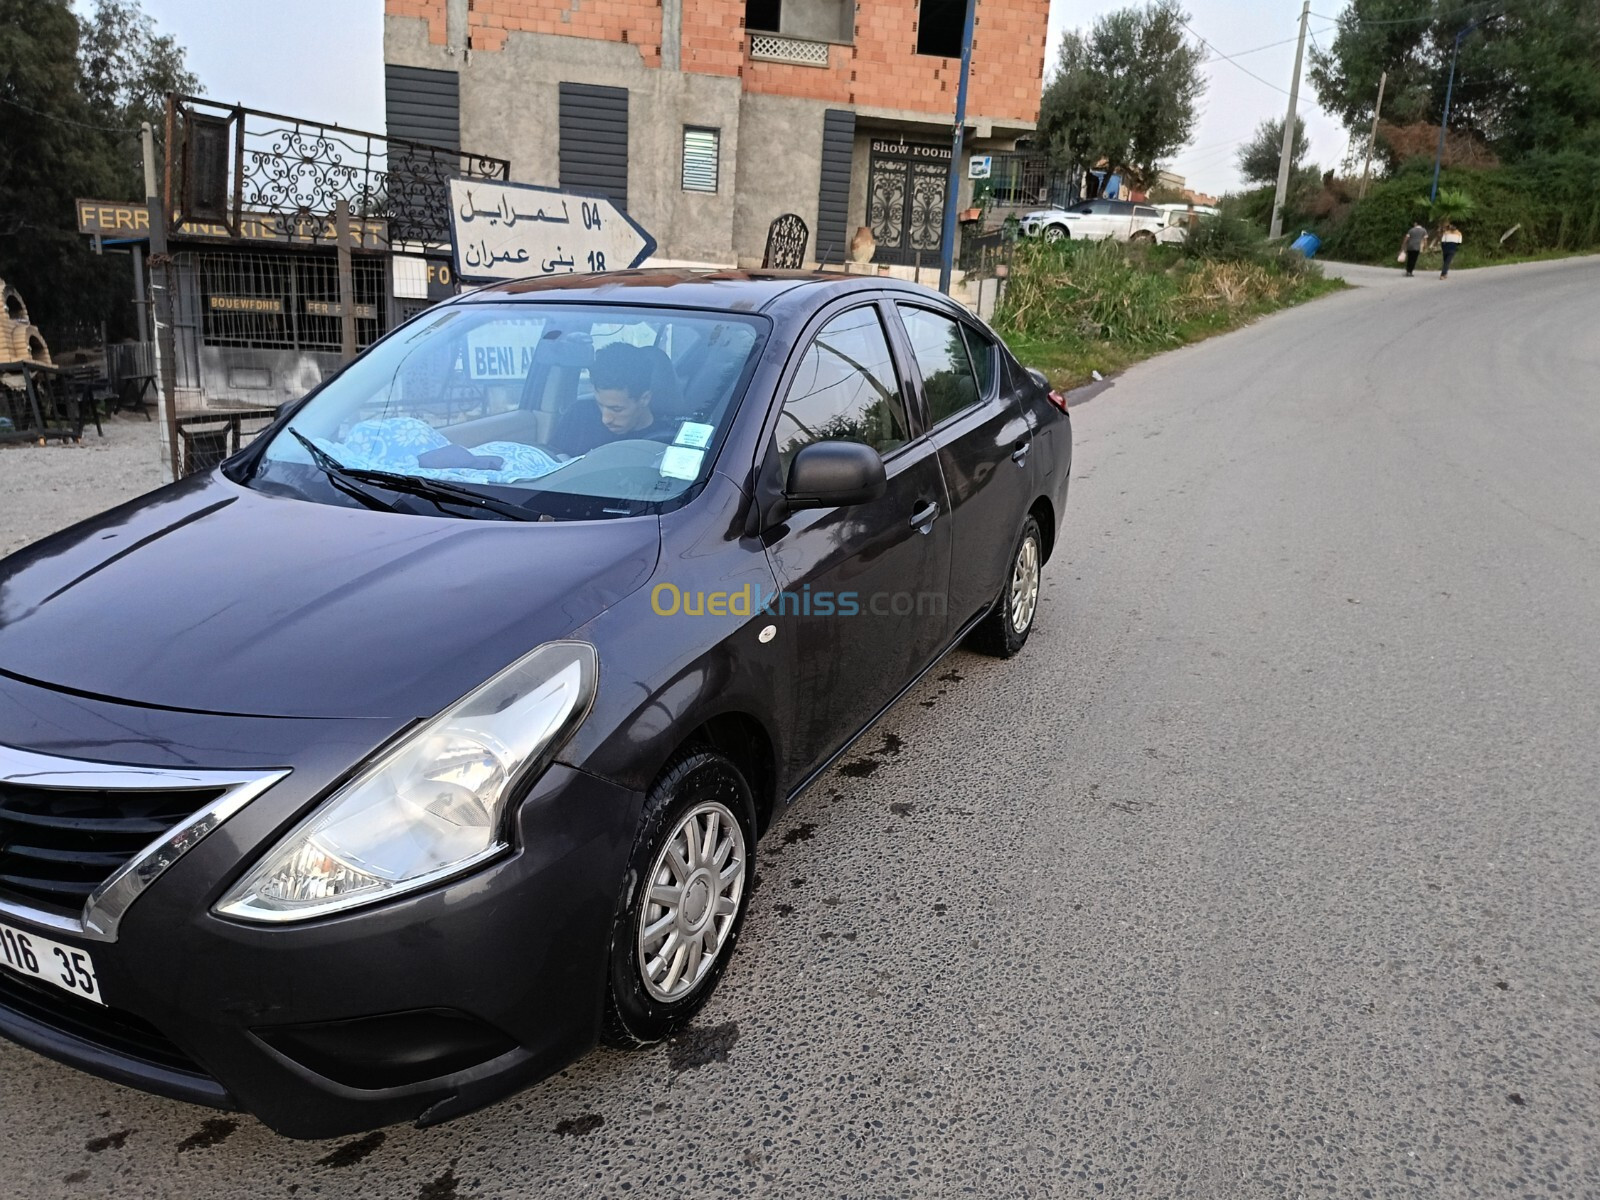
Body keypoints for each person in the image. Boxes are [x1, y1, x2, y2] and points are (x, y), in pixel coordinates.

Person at [550, 342, 679, 456]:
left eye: (616, 409)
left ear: (644, 399)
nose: (605, 419)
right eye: (600, 404)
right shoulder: (578, 416)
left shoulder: (667, 441)